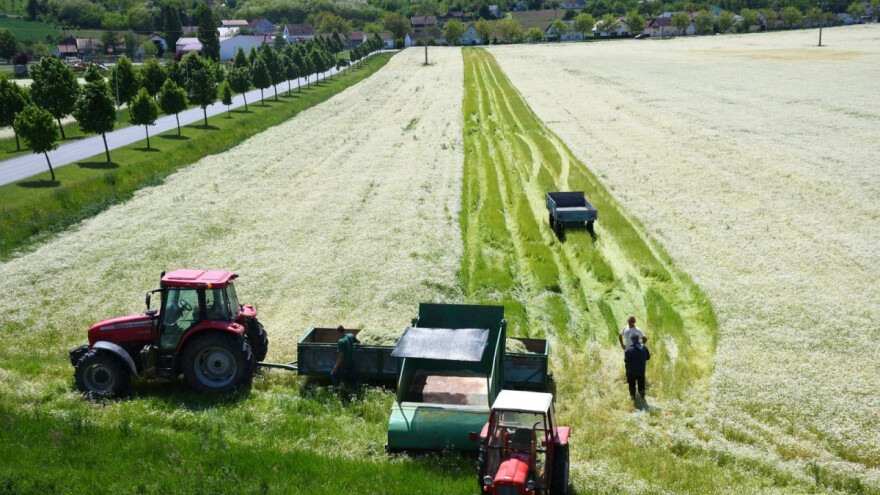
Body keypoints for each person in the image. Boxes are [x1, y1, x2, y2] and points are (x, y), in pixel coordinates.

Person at [624, 334, 650, 401]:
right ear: (638, 339)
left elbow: (626, 360)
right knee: (641, 385)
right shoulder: (644, 348)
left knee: (632, 385)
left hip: (632, 371)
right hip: (641, 370)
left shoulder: (630, 349)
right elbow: (648, 357)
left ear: (632, 340)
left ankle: (633, 398)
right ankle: (642, 397)